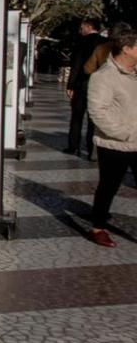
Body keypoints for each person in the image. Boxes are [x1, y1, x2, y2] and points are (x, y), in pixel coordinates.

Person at [84, 22, 137, 248]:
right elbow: (97, 112)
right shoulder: (103, 76)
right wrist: (125, 133)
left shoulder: (134, 74)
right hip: (115, 144)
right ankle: (98, 227)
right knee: (109, 186)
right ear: (126, 48)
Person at [66, 19, 106, 157]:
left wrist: (70, 84)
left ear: (89, 27)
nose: (80, 31)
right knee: (93, 119)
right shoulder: (105, 43)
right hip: (100, 85)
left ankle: (73, 146)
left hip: (82, 84)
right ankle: (91, 150)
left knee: (77, 117)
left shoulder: (81, 42)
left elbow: (76, 64)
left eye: (82, 28)